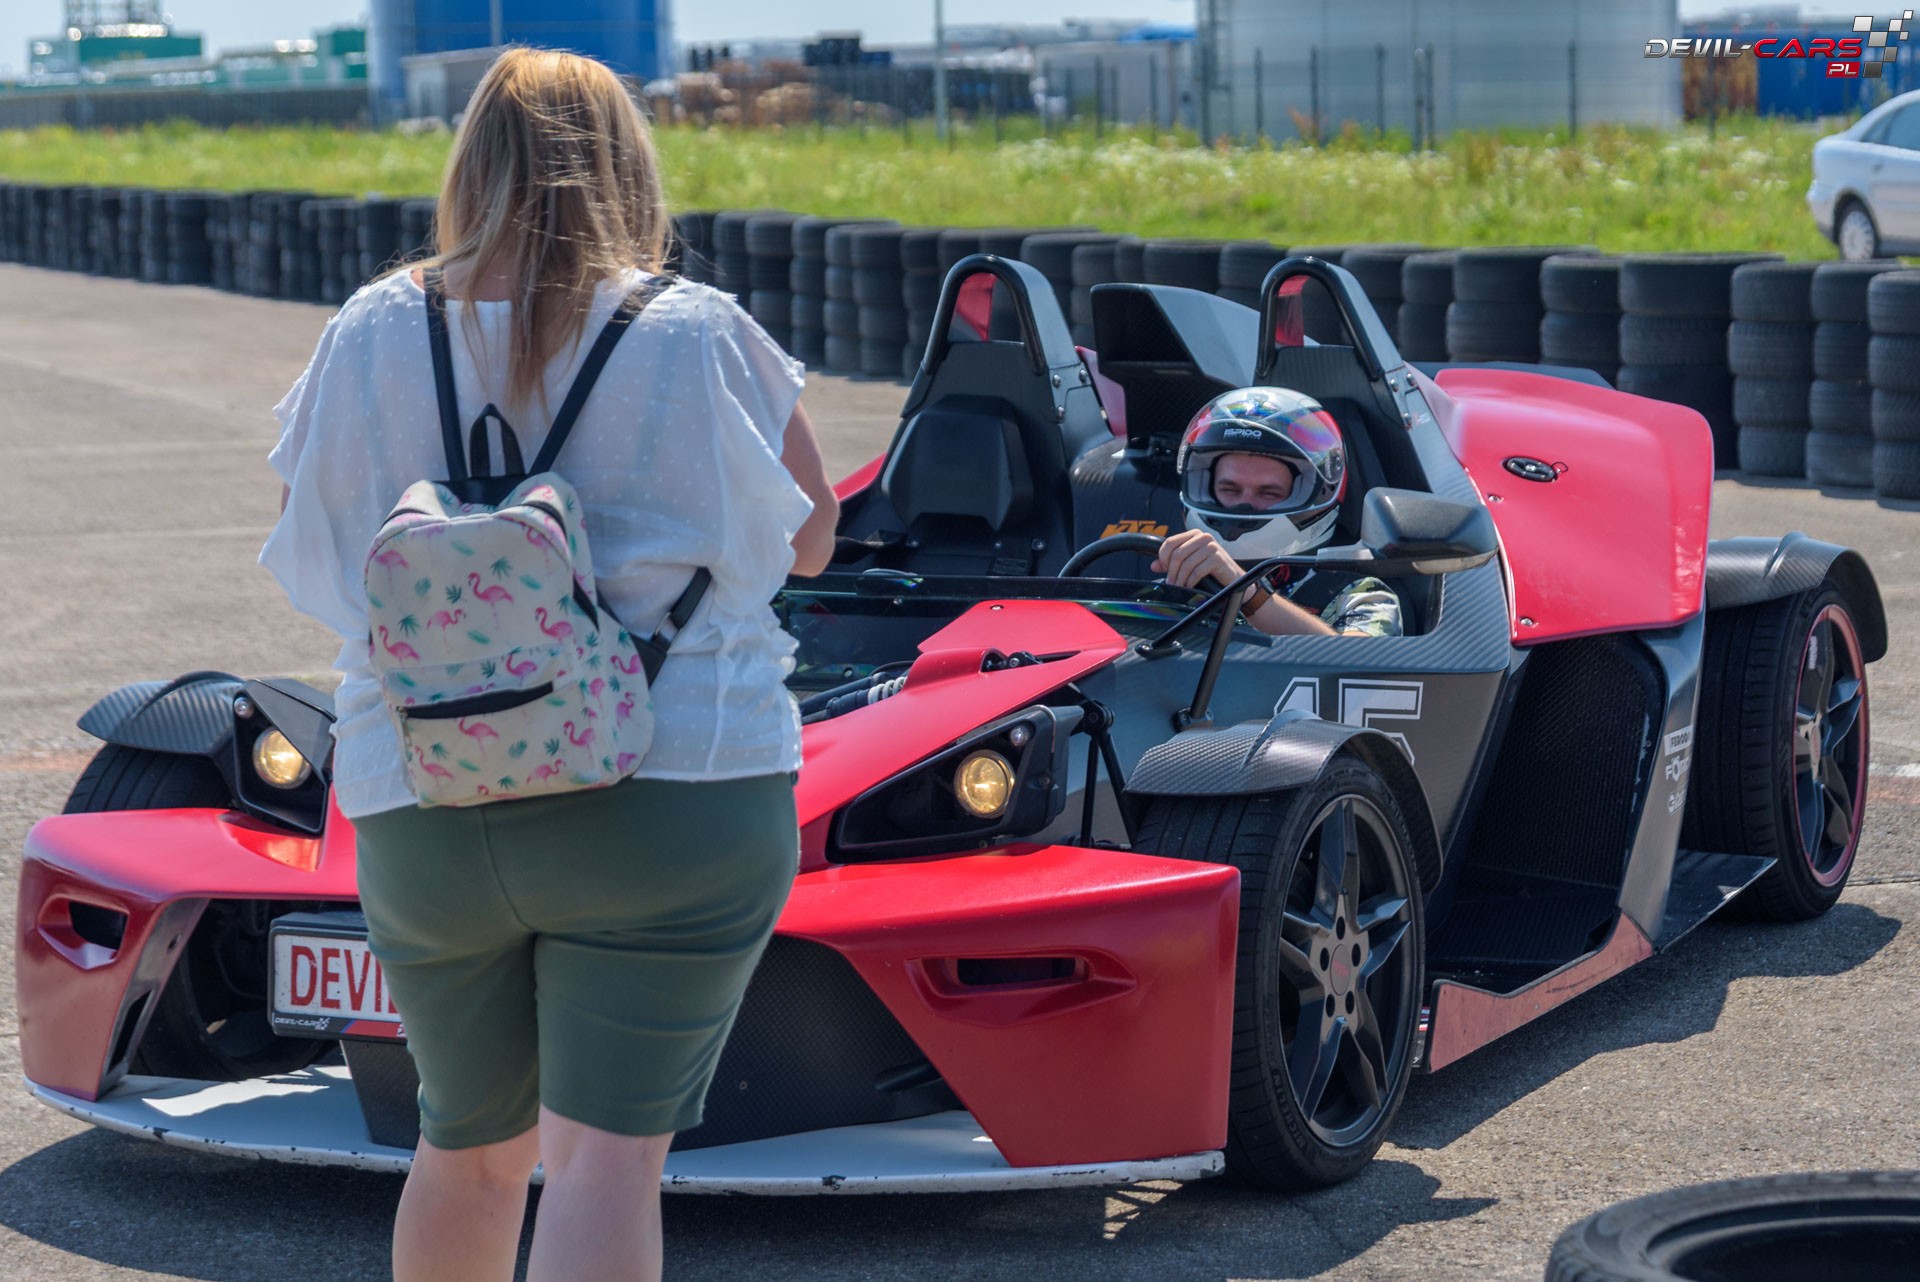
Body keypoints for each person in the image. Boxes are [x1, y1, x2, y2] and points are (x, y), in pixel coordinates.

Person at [259, 49, 838, 1282]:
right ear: (629, 167)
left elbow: (315, 550)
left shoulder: (369, 330)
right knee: (600, 1165)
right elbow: (808, 535)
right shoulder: (696, 330)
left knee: (463, 1149)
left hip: (426, 796)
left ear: (469, 166)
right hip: (672, 791)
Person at [1151, 386, 1402, 638]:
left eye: (1268, 493)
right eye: (1229, 489)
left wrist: (1245, 593)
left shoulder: (1363, 597)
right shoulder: (1170, 593)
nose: (1245, 504)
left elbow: (1353, 660)